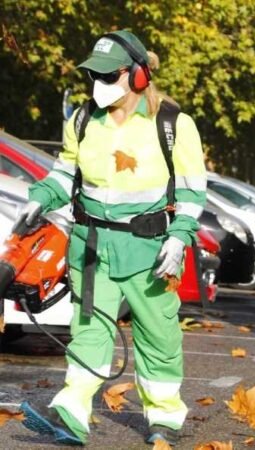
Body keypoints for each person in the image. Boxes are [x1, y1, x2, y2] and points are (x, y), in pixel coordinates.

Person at [15, 30, 206, 446]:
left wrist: (179, 238)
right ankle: (72, 415)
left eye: (109, 75)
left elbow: (192, 191)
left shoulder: (173, 125)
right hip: (91, 247)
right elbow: (66, 172)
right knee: (89, 331)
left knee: (159, 336)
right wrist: (39, 198)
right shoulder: (82, 121)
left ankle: (165, 419)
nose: (99, 85)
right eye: (94, 76)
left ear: (138, 75)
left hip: (151, 250)